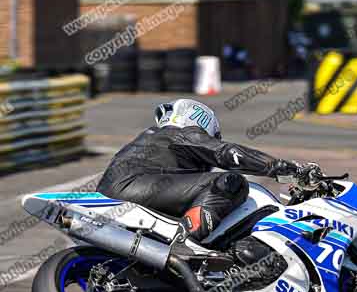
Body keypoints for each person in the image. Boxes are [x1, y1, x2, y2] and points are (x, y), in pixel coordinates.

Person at [97, 99, 299, 268]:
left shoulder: (153, 140)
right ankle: (186, 244)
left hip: (115, 194)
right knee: (231, 181)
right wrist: (280, 167)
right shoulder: (181, 133)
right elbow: (227, 154)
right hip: (133, 188)